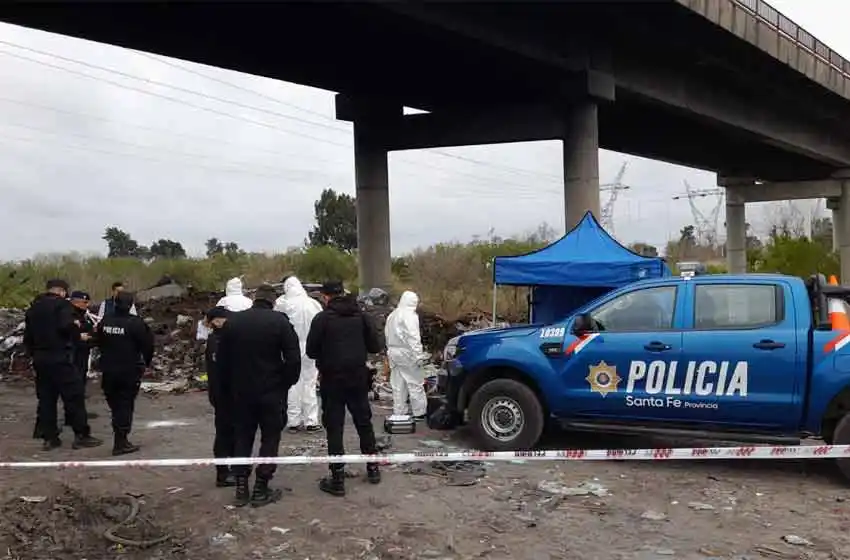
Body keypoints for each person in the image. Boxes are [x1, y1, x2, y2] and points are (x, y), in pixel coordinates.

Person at [217, 284, 301, 508]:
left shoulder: (233, 322)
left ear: (254, 299)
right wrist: (285, 382)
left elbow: (221, 361)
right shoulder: (280, 322)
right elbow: (293, 359)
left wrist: (226, 388)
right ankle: (261, 487)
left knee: (242, 437)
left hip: (241, 391)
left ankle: (241, 486)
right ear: (272, 301)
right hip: (271, 391)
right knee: (270, 438)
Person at [306, 281, 383, 496]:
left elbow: (311, 351)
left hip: (332, 378)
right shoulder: (361, 315)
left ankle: (337, 478)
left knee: (334, 426)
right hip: (358, 376)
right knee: (363, 422)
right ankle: (373, 467)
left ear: (325, 297)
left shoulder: (322, 319)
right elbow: (375, 346)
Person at [24, 279, 102, 451]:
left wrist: (34, 354)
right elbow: (66, 326)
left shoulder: (33, 308)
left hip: (40, 358)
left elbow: (27, 337)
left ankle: (50, 437)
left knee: (46, 398)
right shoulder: (62, 306)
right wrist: (77, 336)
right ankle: (81, 434)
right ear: (61, 291)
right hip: (60, 356)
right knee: (73, 396)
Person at [95, 291, 154, 456]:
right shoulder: (136, 323)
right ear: (131, 305)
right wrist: (146, 363)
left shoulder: (105, 321)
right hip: (128, 370)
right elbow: (148, 345)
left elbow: (98, 341)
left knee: (115, 404)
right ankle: (121, 441)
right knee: (125, 405)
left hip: (108, 370)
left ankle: (119, 435)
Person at [274, 276, 323, 433]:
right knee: (310, 382)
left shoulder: (283, 303)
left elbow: (275, 322)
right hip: (311, 347)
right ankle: (311, 420)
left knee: (292, 383)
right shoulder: (313, 303)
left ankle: (293, 420)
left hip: (289, 348)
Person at [204, 306, 237, 488]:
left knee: (231, 433)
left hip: (224, 394)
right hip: (224, 395)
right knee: (225, 434)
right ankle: (224, 473)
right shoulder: (217, 342)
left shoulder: (219, 339)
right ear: (216, 321)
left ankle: (229, 469)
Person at [385, 291, 428, 420]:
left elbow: (386, 334)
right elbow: (413, 336)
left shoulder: (392, 315)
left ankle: (399, 412)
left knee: (398, 384)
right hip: (407, 352)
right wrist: (418, 355)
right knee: (415, 382)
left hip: (393, 352)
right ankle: (419, 412)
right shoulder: (409, 315)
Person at [67, 291, 98, 425]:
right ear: (75, 301)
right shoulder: (70, 314)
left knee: (80, 385)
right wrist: (84, 335)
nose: (87, 305)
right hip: (74, 354)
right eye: (84, 302)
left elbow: (86, 329)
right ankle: (73, 416)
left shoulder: (81, 314)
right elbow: (74, 334)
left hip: (82, 353)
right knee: (74, 386)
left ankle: (78, 412)